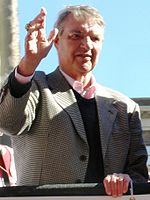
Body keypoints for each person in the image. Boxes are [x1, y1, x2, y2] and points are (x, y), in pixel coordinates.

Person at [0, 5, 148, 197]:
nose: (86, 45)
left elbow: (139, 176)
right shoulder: (36, 86)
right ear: (56, 41)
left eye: (94, 38)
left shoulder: (125, 108)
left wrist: (127, 180)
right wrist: (28, 65)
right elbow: (7, 122)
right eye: (76, 36)